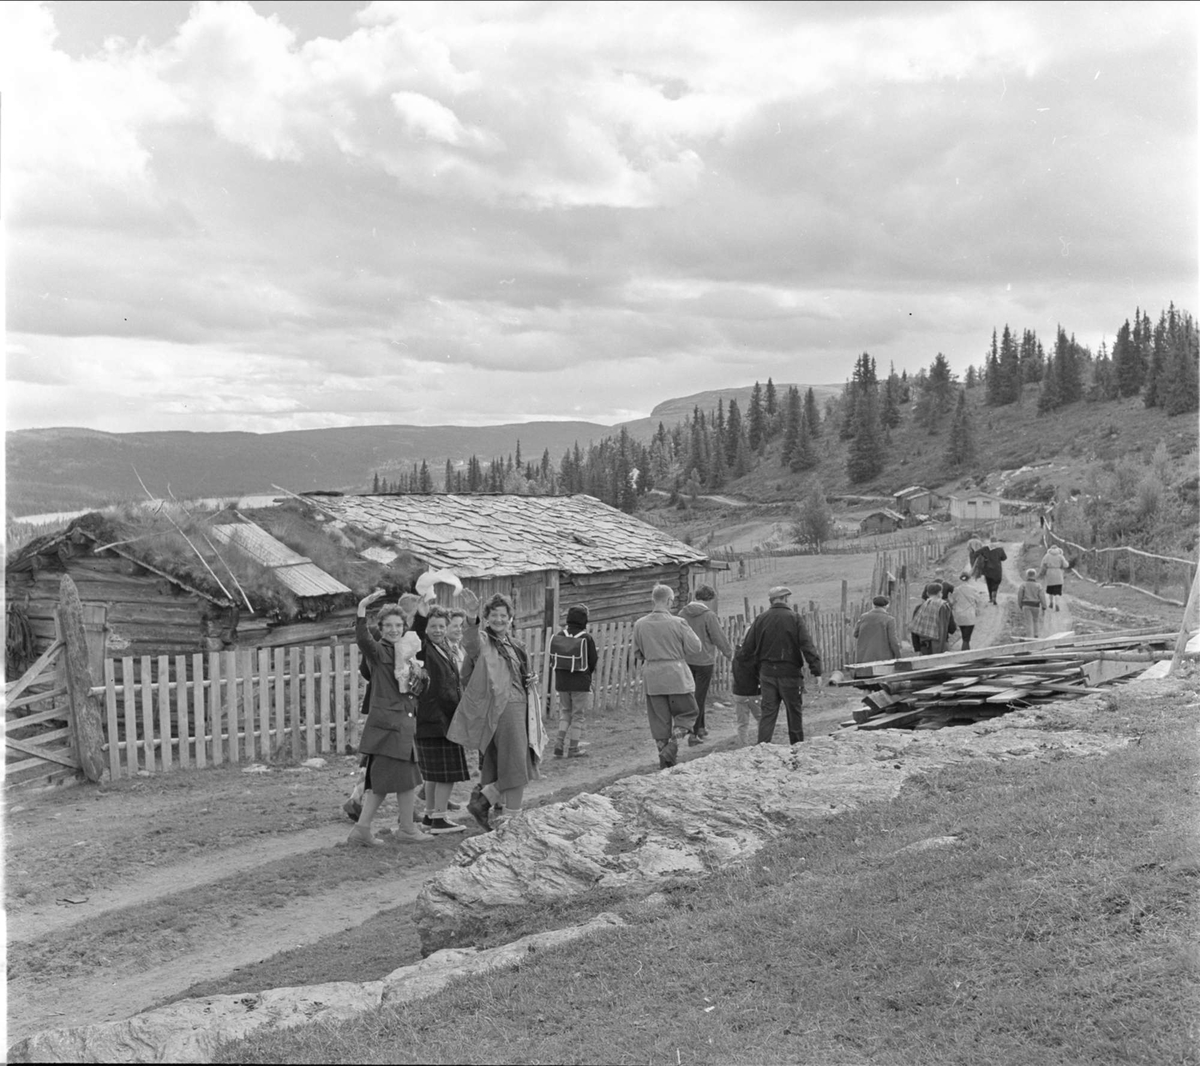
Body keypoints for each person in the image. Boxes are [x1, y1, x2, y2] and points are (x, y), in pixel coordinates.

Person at [449, 590, 546, 831]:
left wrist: (530, 678)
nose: (499, 620)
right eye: (494, 615)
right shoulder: (484, 641)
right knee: (515, 763)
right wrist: (472, 615)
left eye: (503, 615)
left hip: (521, 707)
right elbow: (470, 642)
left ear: (511, 618)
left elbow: (520, 674)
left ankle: (487, 800)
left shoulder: (516, 645)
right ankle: (507, 816)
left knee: (517, 760)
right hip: (503, 709)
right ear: (487, 617)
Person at [349, 590, 431, 847]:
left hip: (402, 726)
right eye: (389, 626)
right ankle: (398, 829)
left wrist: (422, 614)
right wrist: (362, 612)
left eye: (398, 625)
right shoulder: (379, 652)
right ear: (381, 628)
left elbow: (415, 685)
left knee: (395, 781)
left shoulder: (405, 653)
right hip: (388, 728)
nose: (394, 630)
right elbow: (364, 641)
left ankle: (377, 829)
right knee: (393, 782)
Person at [735, 586, 822, 745]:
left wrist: (753, 672)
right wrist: (817, 671)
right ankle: (796, 748)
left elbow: (747, 649)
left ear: (771, 600)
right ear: (785, 599)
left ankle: (762, 748)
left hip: (767, 674)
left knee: (768, 714)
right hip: (790, 674)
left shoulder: (761, 619)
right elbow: (807, 646)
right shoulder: (794, 618)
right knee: (794, 713)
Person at [411, 605, 469, 834]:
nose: (437, 630)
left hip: (443, 718)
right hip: (436, 718)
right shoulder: (424, 649)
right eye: (432, 626)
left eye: (441, 626)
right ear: (425, 628)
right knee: (447, 774)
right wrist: (419, 615)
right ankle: (440, 819)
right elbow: (416, 633)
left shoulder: (443, 647)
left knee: (435, 775)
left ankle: (430, 815)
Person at [631, 584, 703, 768]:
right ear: (670, 600)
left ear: (653, 600)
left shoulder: (640, 624)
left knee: (659, 720)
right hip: (677, 675)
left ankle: (664, 759)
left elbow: (638, 653)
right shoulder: (678, 623)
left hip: (653, 677)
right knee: (688, 712)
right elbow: (696, 647)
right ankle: (674, 744)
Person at [676, 584, 733, 744]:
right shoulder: (708, 615)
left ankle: (700, 728)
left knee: (694, 695)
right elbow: (718, 637)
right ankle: (693, 733)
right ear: (709, 599)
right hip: (704, 661)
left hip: (686, 660)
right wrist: (729, 654)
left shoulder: (682, 613)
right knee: (699, 697)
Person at [551, 604, 598, 758]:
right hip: (580, 681)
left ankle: (559, 742)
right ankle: (573, 748)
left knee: (565, 712)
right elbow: (593, 661)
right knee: (578, 714)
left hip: (562, 681)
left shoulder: (559, 635)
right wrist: (586, 675)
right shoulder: (586, 638)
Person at [730, 636, 762, 747]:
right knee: (761, 719)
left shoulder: (736, 656)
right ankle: (762, 743)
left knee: (742, 723)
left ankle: (743, 746)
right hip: (755, 693)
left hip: (739, 693)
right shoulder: (756, 656)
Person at [909, 582, 955, 655]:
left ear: (927, 593)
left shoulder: (920, 608)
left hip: (924, 646)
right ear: (940, 593)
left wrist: (917, 648)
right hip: (940, 646)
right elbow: (952, 628)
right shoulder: (944, 606)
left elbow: (914, 630)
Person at [853, 595, 900, 663]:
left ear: (873, 605)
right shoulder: (889, 620)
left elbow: (856, 634)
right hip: (883, 658)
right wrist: (898, 655)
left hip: (864, 657)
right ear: (886, 606)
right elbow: (893, 639)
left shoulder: (863, 617)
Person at [949, 572, 984, 651]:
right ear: (969, 578)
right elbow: (978, 601)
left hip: (959, 615)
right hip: (970, 615)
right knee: (967, 638)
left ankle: (965, 649)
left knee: (964, 634)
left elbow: (953, 601)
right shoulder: (973, 589)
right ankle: (965, 652)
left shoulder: (957, 589)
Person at [973, 536, 1007, 606]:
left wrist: (983, 557)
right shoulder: (1000, 549)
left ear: (990, 541)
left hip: (987, 570)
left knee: (989, 583)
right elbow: (1004, 558)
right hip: (997, 569)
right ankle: (994, 596)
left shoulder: (985, 548)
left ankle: (991, 598)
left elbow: (975, 553)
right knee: (996, 583)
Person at [1017, 568, 1048, 637]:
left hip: (1026, 605)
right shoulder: (1038, 585)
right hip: (1036, 605)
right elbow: (1042, 596)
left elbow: (1020, 596)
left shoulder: (1023, 585)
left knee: (1028, 622)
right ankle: (1036, 634)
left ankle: (1029, 636)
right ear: (1035, 575)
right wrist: (1044, 606)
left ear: (1027, 575)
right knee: (1036, 620)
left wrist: (1020, 605)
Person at [1039, 545, 1068, 612]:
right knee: (1057, 591)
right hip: (1058, 573)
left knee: (1051, 589)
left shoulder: (1047, 556)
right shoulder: (1060, 556)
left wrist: (1042, 573)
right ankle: (1057, 604)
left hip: (1050, 573)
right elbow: (1066, 565)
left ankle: (1051, 602)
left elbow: (1042, 564)